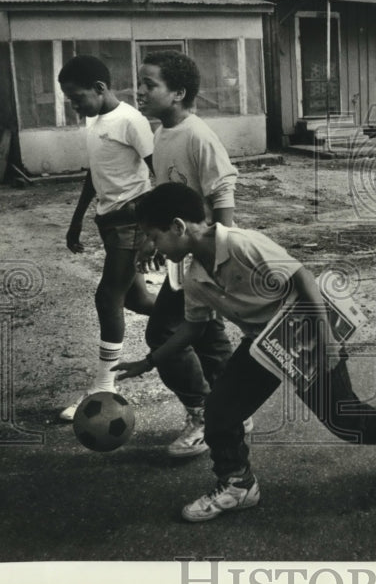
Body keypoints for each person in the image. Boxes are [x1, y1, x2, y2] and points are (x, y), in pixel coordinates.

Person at [113, 182, 376, 522]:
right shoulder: (195, 278)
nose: (151, 246)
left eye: (153, 236)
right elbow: (193, 328)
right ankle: (238, 484)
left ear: (177, 227)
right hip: (263, 345)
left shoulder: (240, 244)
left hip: (304, 330)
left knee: (344, 420)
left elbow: (302, 278)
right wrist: (148, 361)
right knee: (220, 410)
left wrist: (327, 340)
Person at [135, 50, 241, 457]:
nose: (140, 91)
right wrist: (151, 237)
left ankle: (202, 414)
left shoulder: (198, 135)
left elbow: (222, 192)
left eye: (150, 84)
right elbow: (165, 195)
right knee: (210, 337)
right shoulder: (161, 134)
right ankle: (233, 408)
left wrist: (222, 255)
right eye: (140, 82)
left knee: (162, 333)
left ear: (178, 92)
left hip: (204, 252)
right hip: (182, 253)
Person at [56, 54, 156, 420]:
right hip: (109, 222)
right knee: (138, 299)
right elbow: (94, 173)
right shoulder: (95, 120)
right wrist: (77, 219)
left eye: (77, 96)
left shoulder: (131, 121)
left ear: (99, 88)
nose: (74, 104)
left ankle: (104, 385)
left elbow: (157, 172)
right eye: (69, 98)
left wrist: (151, 232)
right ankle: (196, 321)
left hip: (132, 222)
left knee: (107, 295)